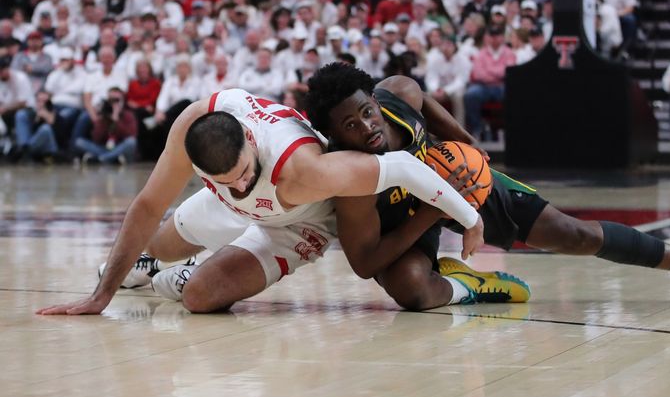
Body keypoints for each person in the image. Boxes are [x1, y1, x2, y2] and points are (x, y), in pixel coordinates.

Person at [304, 63, 670, 310]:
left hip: (456, 180)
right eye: (350, 124)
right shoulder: (348, 177)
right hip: (409, 219)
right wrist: (436, 209)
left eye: (365, 110)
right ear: (334, 135)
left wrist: (468, 146)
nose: (366, 126)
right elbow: (365, 264)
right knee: (410, 290)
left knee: (576, 235)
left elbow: (413, 89)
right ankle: (468, 287)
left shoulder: (393, 102)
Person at [36, 88, 486, 316]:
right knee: (153, 242)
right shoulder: (196, 124)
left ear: (251, 140)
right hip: (232, 208)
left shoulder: (305, 169)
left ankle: (186, 274)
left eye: (245, 174)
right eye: (225, 180)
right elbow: (147, 204)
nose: (241, 183)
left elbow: (404, 169)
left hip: (298, 220)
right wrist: (101, 296)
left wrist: (469, 218)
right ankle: (157, 264)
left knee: (199, 298)